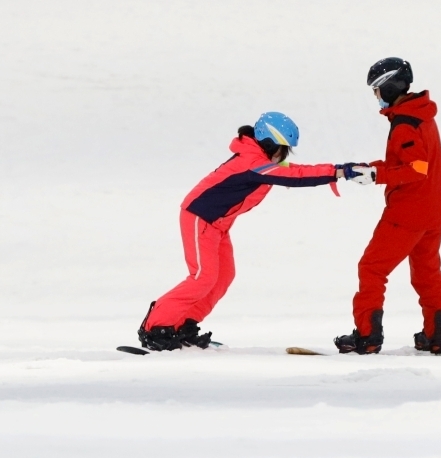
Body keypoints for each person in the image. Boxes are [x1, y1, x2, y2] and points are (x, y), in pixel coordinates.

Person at [138, 112, 367, 351]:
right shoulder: (253, 163)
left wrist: (339, 169)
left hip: (218, 224)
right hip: (200, 217)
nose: (284, 156)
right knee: (202, 277)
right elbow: (294, 176)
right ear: (270, 144)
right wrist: (339, 172)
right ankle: (156, 329)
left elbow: (295, 169)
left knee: (223, 276)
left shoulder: (262, 161)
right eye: (283, 149)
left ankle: (183, 326)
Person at [334, 58, 441, 354]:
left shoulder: (404, 124)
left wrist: (377, 175)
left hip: (408, 212)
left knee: (372, 269)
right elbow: (412, 164)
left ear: (390, 85)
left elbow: (416, 169)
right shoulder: (420, 114)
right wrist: (371, 169)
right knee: (427, 273)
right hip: (433, 210)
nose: (376, 96)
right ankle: (438, 334)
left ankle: (367, 336)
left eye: (377, 89)